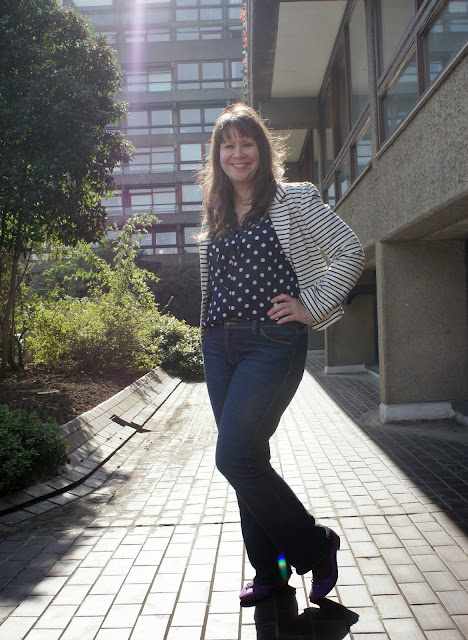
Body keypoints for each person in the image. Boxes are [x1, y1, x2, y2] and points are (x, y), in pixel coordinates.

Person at [198, 103, 365, 605]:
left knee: (233, 456)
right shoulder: (217, 208)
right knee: (248, 458)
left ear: (262, 149)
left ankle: (316, 545)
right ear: (217, 155)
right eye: (228, 145)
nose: (238, 153)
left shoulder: (294, 199)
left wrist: (311, 305)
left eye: (246, 142)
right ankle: (270, 574)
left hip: (270, 342)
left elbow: (350, 251)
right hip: (218, 345)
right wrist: (205, 331)